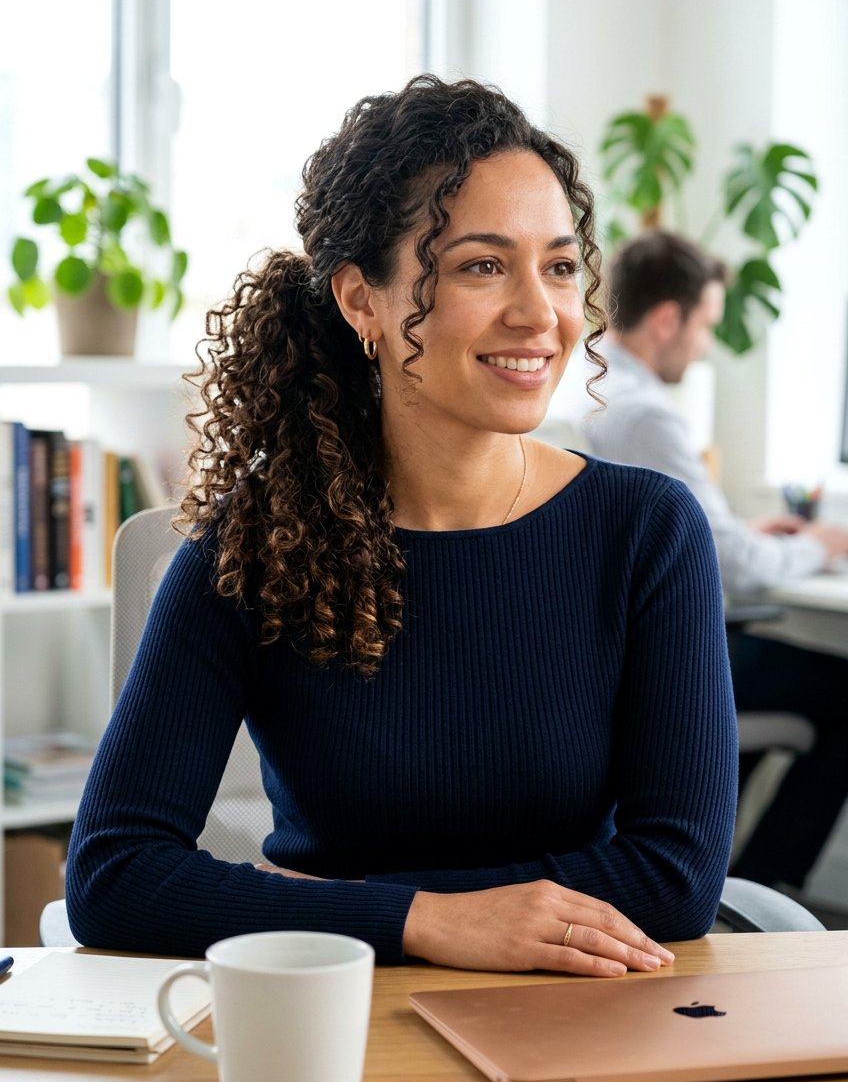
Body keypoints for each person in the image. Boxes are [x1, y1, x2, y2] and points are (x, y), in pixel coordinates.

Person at [66, 77, 736, 975]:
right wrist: (424, 920)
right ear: (359, 301)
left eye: (562, 265)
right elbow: (114, 875)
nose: (541, 313)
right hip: (331, 1013)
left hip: (579, 1012)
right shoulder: (257, 546)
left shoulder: (648, 533)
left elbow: (676, 874)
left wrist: (350, 905)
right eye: (482, 265)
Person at [584, 229, 848, 891]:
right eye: (704, 325)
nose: (705, 348)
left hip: (617, 648)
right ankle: (766, 883)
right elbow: (735, 568)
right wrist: (817, 545)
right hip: (660, 657)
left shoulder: (593, 389)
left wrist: (746, 531)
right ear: (667, 319)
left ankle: (731, 874)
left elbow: (696, 537)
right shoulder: (645, 414)